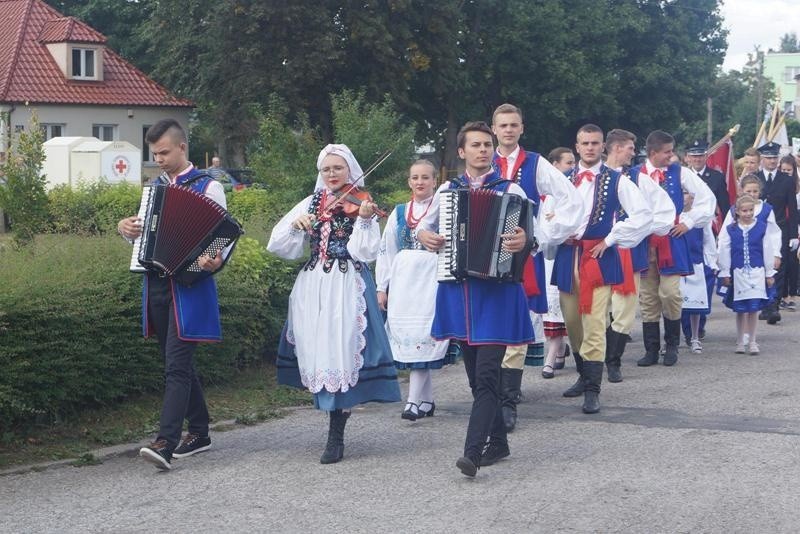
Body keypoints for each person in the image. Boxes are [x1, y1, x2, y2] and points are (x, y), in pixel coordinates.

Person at [267, 144, 401, 464]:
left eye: (338, 168)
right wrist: (297, 225)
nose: (331, 174)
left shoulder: (361, 202)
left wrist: (366, 222)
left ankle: (336, 434)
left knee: (341, 349)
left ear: (349, 170)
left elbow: (366, 253)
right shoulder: (312, 203)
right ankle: (332, 421)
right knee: (320, 351)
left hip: (346, 284)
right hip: (314, 284)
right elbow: (277, 243)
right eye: (326, 169)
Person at [416, 121, 534, 477]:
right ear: (462, 152)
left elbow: (533, 234)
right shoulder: (447, 191)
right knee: (475, 377)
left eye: (487, 144)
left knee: (485, 377)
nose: (483, 150)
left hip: (497, 294)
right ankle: (498, 441)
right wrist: (425, 235)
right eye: (476, 145)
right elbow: (421, 224)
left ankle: (473, 453)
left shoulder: (511, 189)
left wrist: (522, 241)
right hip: (461, 292)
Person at [117, 119, 227, 470]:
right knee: (177, 362)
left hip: (190, 287)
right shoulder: (154, 188)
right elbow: (144, 236)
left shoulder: (209, 187)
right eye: (154, 154)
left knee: (176, 367)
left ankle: (166, 442)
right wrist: (126, 230)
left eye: (164, 152)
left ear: (182, 148)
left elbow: (222, 237)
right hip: (157, 284)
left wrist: (214, 259)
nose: (159, 159)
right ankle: (200, 432)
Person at [490, 104, 582, 431]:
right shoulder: (483, 160)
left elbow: (570, 198)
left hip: (522, 255)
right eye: (503, 125)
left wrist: (542, 235)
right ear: (494, 129)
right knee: (489, 326)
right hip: (483, 256)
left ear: (521, 128)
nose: (509, 130)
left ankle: (508, 400)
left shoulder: (535, 163)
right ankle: (490, 393)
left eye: (514, 124)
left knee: (517, 322)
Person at [555, 124, 652, 413]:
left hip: (598, 256)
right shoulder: (562, 179)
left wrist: (611, 239)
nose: (590, 148)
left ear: (603, 147)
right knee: (572, 321)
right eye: (585, 143)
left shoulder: (617, 180)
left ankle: (593, 390)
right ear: (576, 146)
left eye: (595, 143)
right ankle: (584, 376)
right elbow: (545, 212)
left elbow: (643, 215)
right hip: (568, 253)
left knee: (594, 321)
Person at [633, 130, 715, 368]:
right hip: (645, 241)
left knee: (670, 293)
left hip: (672, 240)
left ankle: (672, 345)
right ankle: (651, 349)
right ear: (652, 153)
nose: (672, 156)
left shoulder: (681, 172)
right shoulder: (635, 174)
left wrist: (688, 222)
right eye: (667, 152)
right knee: (648, 297)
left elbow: (707, 198)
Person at [375, 159, 449, 421]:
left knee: (422, 337)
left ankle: (412, 403)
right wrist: (382, 287)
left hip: (431, 280)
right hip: (404, 282)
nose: (420, 182)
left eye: (425, 178)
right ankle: (426, 400)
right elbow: (386, 251)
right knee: (413, 340)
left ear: (434, 181)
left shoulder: (442, 210)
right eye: (415, 177)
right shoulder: (398, 213)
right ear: (409, 181)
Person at [599, 129, 674, 384]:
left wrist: (640, 230)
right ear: (616, 148)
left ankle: (613, 362)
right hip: (596, 251)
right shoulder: (594, 176)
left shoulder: (638, 178)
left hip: (629, 251)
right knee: (598, 309)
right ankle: (593, 362)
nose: (634, 152)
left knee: (624, 310)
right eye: (630, 148)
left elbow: (665, 211)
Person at [718, 194, 777, 355]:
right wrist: (724, 271)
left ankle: (752, 340)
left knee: (753, 308)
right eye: (744, 211)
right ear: (737, 211)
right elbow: (724, 250)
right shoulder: (731, 229)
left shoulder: (761, 227)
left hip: (757, 272)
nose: (748, 213)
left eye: (751, 210)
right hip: (738, 273)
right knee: (741, 309)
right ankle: (739, 340)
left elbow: (767, 250)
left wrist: (769, 273)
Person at [539, 147, 577, 378]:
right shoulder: (542, 194)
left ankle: (551, 358)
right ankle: (560, 348)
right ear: (554, 166)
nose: (572, 168)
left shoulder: (569, 196)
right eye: (568, 163)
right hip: (540, 256)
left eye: (573, 163)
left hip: (560, 255)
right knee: (546, 306)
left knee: (558, 303)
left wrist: (559, 221)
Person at [755, 141, 798, 324]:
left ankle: (773, 304)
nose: (772, 161)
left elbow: (792, 208)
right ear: (762, 159)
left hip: (780, 228)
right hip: (758, 227)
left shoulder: (787, 179)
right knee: (760, 266)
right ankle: (764, 303)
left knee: (779, 266)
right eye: (769, 158)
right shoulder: (754, 178)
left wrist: (794, 234)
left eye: (775, 158)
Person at [679, 191, 718, 353]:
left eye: (687, 193)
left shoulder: (700, 218)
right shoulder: (671, 216)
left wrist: (712, 262)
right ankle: (674, 338)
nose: (684, 197)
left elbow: (708, 241)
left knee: (695, 303)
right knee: (675, 304)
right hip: (678, 265)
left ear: (693, 197)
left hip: (696, 263)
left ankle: (694, 337)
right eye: (681, 193)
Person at [685, 139, 731, 224]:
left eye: (701, 156)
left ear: (706, 156)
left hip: (711, 224)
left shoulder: (717, 177)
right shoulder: (683, 177)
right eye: (694, 156)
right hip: (687, 224)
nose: (697, 159)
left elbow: (724, 206)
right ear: (688, 157)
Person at [778, 155, 799, 310]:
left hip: (797, 226)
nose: (786, 173)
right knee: (784, 262)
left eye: (789, 170)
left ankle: (792, 294)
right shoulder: (780, 184)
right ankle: (783, 295)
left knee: (793, 263)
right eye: (783, 170)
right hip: (785, 225)